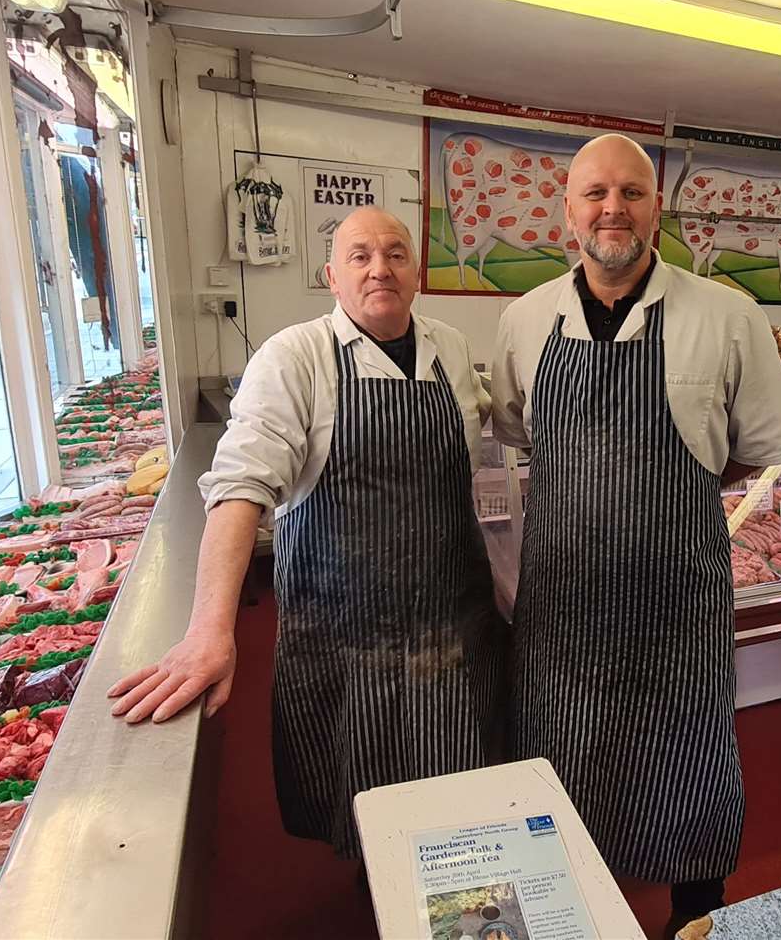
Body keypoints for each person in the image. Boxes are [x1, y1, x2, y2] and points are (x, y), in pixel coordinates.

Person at [109, 206, 506, 860]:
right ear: (332, 276)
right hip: (348, 647)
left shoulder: (452, 351)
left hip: (451, 635)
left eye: (395, 253)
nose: (380, 267)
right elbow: (239, 488)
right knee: (370, 817)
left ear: (417, 269)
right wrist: (212, 627)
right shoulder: (295, 358)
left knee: (453, 811)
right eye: (360, 255)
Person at [488, 135, 781, 934]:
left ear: (658, 208)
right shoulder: (524, 322)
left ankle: (695, 921)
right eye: (594, 193)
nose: (612, 207)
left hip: (677, 607)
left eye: (631, 191)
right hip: (558, 609)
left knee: (688, 767)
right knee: (557, 766)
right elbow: (518, 432)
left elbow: (755, 450)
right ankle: (564, 916)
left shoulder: (729, 317)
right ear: (568, 212)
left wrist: (659, 508)